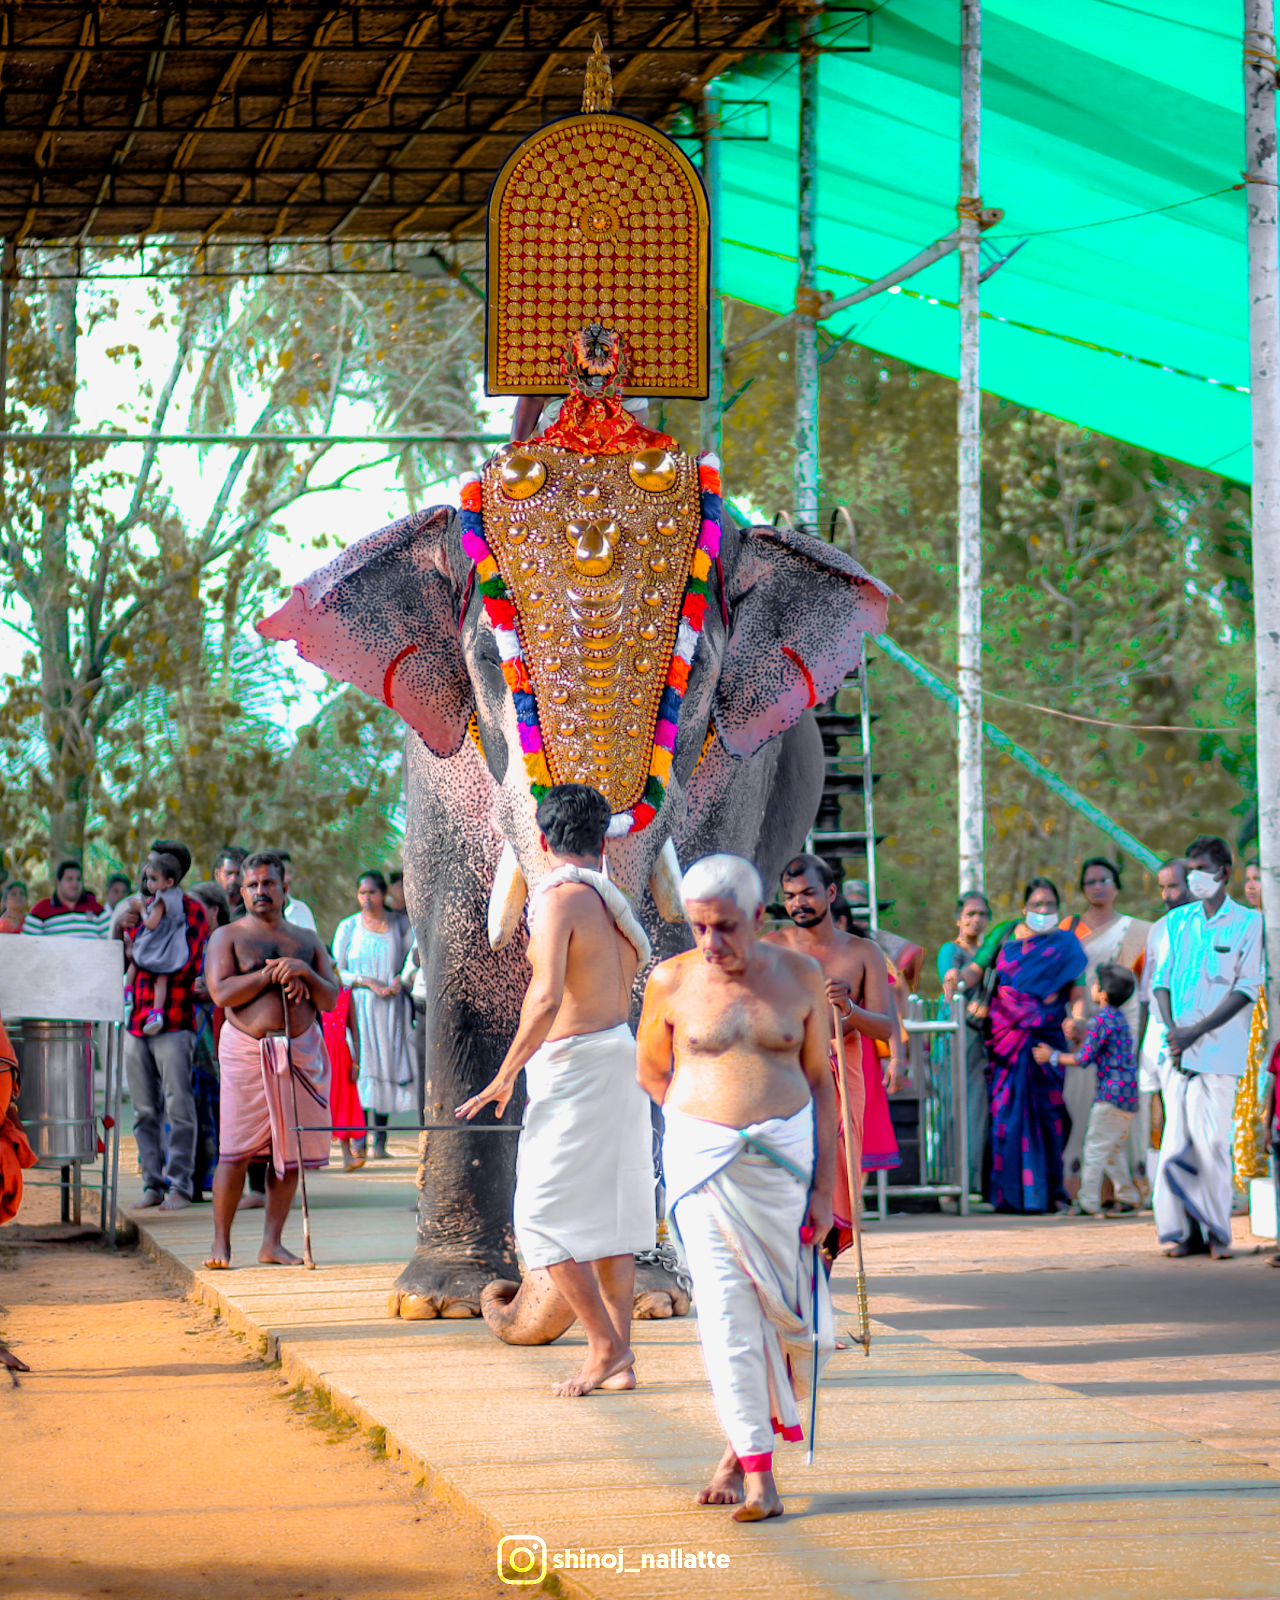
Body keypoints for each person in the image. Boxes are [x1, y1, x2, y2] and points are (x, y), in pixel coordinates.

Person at [637, 853, 835, 1522]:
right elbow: (652, 1073)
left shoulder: (802, 977)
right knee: (725, 1315)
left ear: (756, 917)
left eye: (724, 928)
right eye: (697, 929)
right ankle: (758, 1475)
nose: (711, 944)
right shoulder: (669, 981)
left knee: (792, 1326)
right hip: (703, 1167)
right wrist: (706, 1126)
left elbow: (820, 1087)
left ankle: (736, 1446)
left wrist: (827, 1192)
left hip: (785, 1168)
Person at [457, 785, 655, 1397]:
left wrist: (505, 1073)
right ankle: (619, 1361)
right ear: (605, 840)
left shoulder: (563, 897)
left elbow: (544, 996)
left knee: (540, 1220)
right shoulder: (615, 902)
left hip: (576, 1066)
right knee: (613, 1217)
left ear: (542, 842)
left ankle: (605, 1348)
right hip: (620, 1056)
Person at [203, 851, 338, 1269]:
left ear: (286, 888)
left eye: (269, 883)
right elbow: (221, 994)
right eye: (253, 885)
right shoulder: (226, 937)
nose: (262, 891)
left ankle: (271, 1244)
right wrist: (268, 975)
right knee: (235, 1150)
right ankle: (220, 1244)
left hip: (299, 1050)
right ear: (241, 891)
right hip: (246, 1050)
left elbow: (330, 998)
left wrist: (302, 971)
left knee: (290, 1149)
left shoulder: (307, 940)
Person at [763, 853, 895, 1257]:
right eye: (790, 896)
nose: (798, 903)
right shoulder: (771, 947)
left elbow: (885, 1027)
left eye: (808, 893)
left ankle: (817, 1296)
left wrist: (848, 1009)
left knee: (833, 1184)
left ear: (830, 893)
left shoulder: (862, 953)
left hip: (840, 1080)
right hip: (786, 1079)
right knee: (785, 1184)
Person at [1151, 835, 1263, 1260]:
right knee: (1178, 1145)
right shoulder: (1178, 923)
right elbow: (1161, 980)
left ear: (1224, 873)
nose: (1194, 875)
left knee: (1213, 1143)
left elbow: (1245, 988)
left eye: (1201, 868)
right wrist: (1174, 1029)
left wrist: (1195, 1032)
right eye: (1191, 866)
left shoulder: (1248, 924)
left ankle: (1218, 1233)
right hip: (1176, 1051)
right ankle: (1185, 1234)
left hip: (1218, 1051)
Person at [959, 878, 1087, 1214]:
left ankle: (1047, 1193)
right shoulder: (1004, 934)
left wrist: (1077, 1020)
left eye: (1049, 905)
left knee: (1049, 1112)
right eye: (1037, 905)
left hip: (1046, 1035)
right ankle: (1007, 1195)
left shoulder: (1066, 944)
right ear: (1024, 908)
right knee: (1005, 1112)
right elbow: (974, 971)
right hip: (1005, 1036)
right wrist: (954, 981)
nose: (1043, 911)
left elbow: (1077, 990)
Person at [112, 841, 210, 1211]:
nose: (145, 875)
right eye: (146, 869)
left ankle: (180, 1186)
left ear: (173, 876)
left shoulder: (192, 911)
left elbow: (179, 961)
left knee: (178, 1105)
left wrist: (139, 939)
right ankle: (152, 1184)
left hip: (174, 1020)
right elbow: (118, 962)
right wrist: (119, 928)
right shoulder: (135, 910)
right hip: (135, 1020)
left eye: (154, 870)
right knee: (143, 1110)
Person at [1059, 859, 1151, 1198]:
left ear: (1116, 885)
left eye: (1104, 880)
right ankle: (1077, 1186)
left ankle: (1126, 1190)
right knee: (1081, 1103)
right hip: (1080, 1023)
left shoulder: (1137, 931)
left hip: (1123, 1023)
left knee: (1117, 1112)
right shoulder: (1068, 927)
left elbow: (1143, 988)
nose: (1098, 886)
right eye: (1091, 881)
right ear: (1083, 887)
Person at [1035, 963, 1139, 1218]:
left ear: (1102, 993)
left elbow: (1083, 1058)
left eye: (1094, 984)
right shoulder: (1119, 1018)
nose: (1091, 987)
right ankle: (1127, 1197)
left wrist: (1052, 1056)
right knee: (1113, 1149)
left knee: (1094, 1148)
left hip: (1110, 1095)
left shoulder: (1101, 1020)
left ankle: (1087, 1202)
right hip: (1127, 1096)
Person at [333, 870, 414, 1159]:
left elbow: (410, 963)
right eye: (362, 893)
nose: (367, 898)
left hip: (391, 1008)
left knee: (386, 1067)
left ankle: (380, 1141)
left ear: (383, 894)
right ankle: (357, 1139)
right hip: (360, 1009)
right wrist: (367, 982)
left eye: (373, 893)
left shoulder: (399, 925)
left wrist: (397, 982)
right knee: (361, 1067)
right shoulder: (348, 927)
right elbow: (336, 971)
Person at [1136, 859, 1194, 1159]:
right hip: (1157, 1029)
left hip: (1191, 1029)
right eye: (1162, 887)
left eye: (1173, 886)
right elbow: (1147, 992)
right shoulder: (1158, 928)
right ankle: (1158, 1172)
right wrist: (1141, 1038)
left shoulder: (1207, 925)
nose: (1166, 894)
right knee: (1154, 1097)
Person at [938, 891, 993, 1198]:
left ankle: (973, 1184)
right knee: (951, 1112)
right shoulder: (951, 950)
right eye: (970, 914)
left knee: (977, 1111)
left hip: (983, 1040)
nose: (976, 919)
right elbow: (950, 984)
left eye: (982, 914)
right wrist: (954, 983)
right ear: (958, 919)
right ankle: (948, 1183)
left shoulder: (991, 952)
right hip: (954, 1039)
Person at [187, 881, 232, 1202]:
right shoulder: (189, 940)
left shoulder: (228, 942)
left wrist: (214, 991)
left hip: (220, 1032)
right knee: (192, 1104)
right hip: (191, 1031)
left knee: (218, 1107)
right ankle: (190, 1178)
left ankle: (216, 1178)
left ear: (214, 910)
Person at [122, 851, 190, 1037]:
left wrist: (142, 910)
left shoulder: (160, 899)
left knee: (136, 957)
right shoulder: (178, 895)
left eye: (153, 879)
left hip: (158, 939)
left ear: (168, 882)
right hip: (173, 942)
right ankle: (157, 1013)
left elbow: (151, 923)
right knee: (162, 977)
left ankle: (128, 991)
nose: (148, 883)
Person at [323, 982, 365, 1172]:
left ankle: (347, 1156)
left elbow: (354, 1029)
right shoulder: (310, 991)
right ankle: (311, 1157)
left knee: (343, 1103)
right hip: (317, 1053)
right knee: (316, 1103)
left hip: (340, 1055)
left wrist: (356, 1062)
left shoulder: (345, 994)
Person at [22, 859, 104, 938]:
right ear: (59, 882)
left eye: (78, 879)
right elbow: (29, 945)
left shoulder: (97, 908)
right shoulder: (40, 909)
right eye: (69, 879)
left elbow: (111, 941)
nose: (75, 884)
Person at [270, 848, 317, 932]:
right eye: (283, 873)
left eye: (289, 872)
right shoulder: (256, 915)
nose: (289, 878)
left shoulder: (302, 910)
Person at [212, 846, 247, 920]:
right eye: (228, 873)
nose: (233, 879)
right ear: (217, 875)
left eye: (239, 874)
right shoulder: (208, 907)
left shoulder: (253, 908)